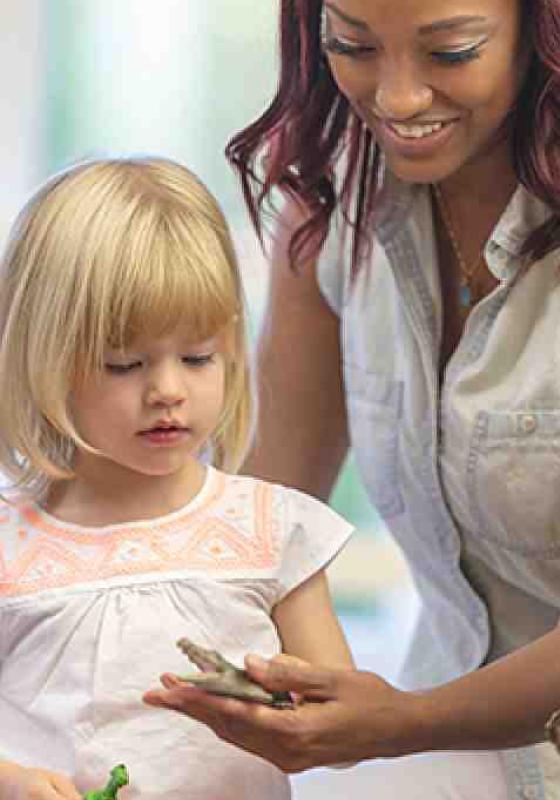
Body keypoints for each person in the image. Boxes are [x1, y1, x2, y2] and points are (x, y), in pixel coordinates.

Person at [143, 0, 560, 797]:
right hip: (442, 755)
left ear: (541, 31)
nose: (396, 99)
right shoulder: (333, 190)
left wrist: (393, 723)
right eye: (353, 45)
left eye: (452, 52)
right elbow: (256, 525)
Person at [0, 158, 354, 800]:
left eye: (197, 358)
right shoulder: (9, 546)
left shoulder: (275, 530)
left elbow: (344, 729)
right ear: (44, 361)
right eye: (124, 363)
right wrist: (13, 781)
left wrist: (281, 703)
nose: (167, 390)